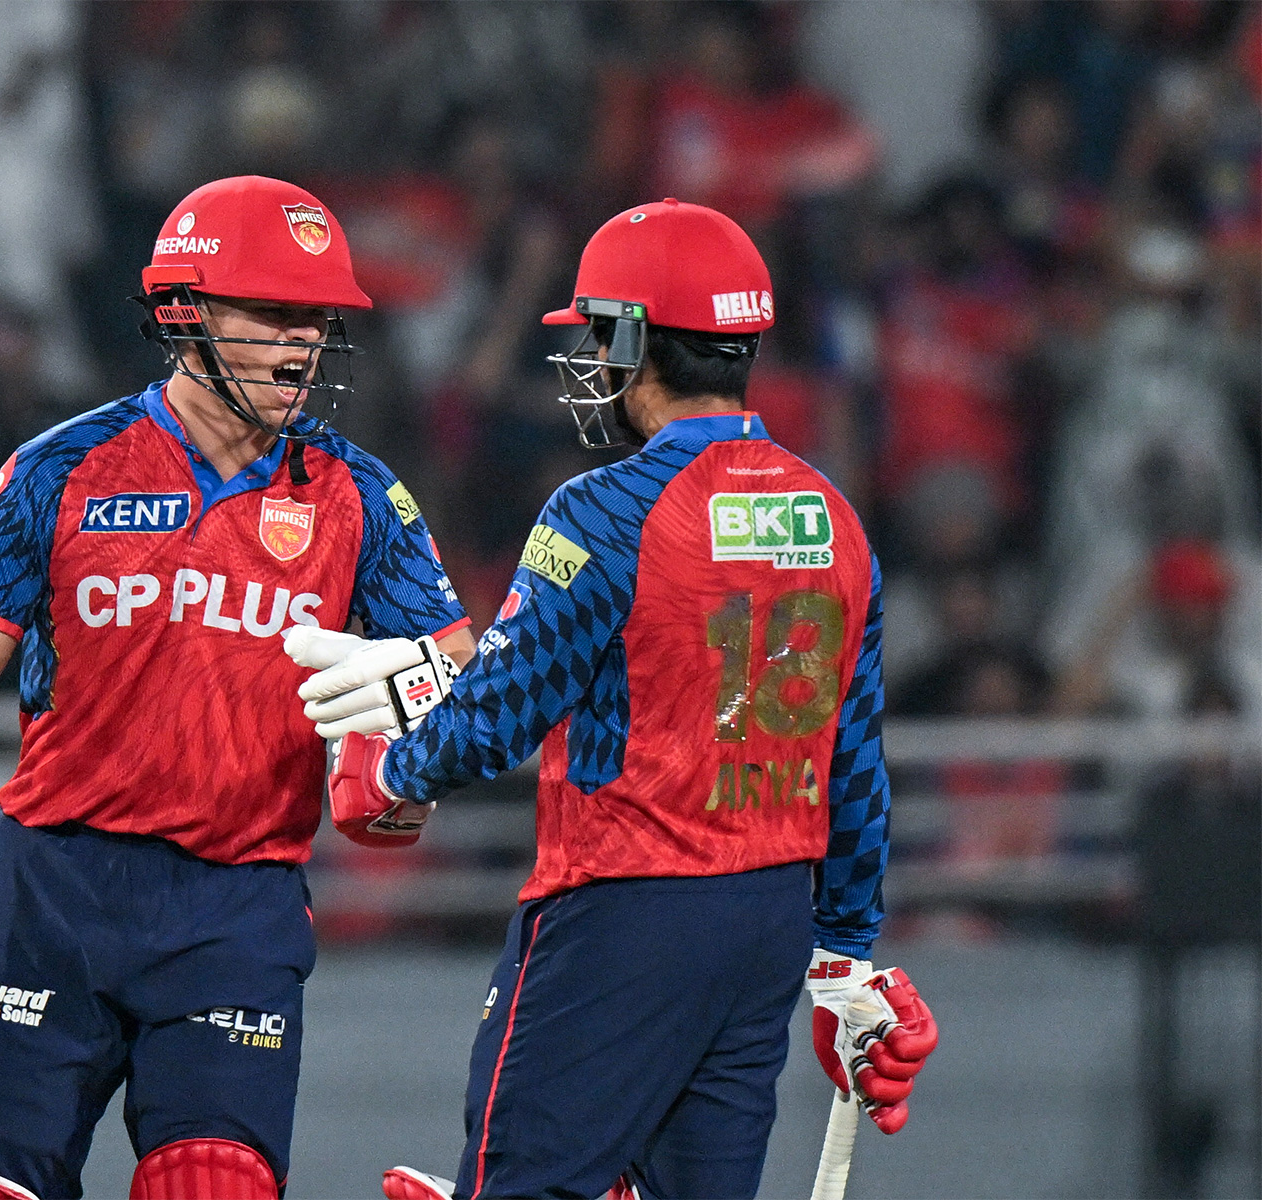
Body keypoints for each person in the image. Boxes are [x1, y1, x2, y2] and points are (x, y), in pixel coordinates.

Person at [289, 200, 937, 1200]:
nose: (589, 358)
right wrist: (843, 954)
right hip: (766, 921)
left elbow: (499, 716)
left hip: (622, 907)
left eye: (598, 333)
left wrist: (387, 769)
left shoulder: (603, 509)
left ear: (637, 338)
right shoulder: (831, 515)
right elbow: (853, 757)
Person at [0, 175, 474, 1200]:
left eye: (315, 318)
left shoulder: (361, 495)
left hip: (236, 910)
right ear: (185, 314)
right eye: (272, 314)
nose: (302, 344)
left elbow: (461, 670)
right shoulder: (61, 469)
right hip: (53, 893)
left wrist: (419, 696)